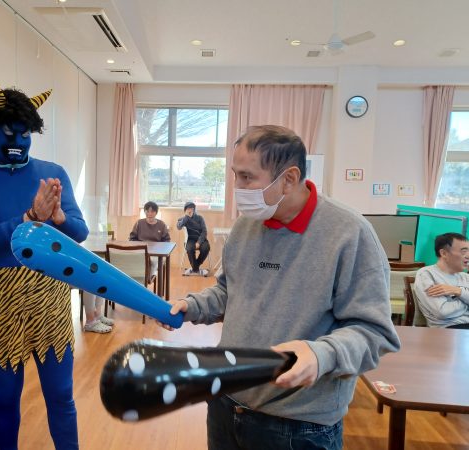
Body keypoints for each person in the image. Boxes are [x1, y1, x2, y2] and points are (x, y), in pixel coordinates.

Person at [160, 125, 400, 450]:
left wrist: (321, 354)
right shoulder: (246, 226)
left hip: (298, 424)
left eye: (247, 177)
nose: (237, 187)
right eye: (235, 175)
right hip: (226, 402)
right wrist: (194, 306)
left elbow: (374, 332)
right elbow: (230, 291)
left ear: (289, 178)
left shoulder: (349, 234)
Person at [0, 77, 88, 450]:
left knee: (60, 394)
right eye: (10, 133)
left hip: (49, 292)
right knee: (4, 397)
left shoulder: (53, 173)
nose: (18, 141)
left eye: (25, 133)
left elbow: (79, 231)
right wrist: (30, 218)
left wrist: (59, 218)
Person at [414, 232, 469, 329]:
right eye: (463, 251)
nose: (468, 255)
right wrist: (466, 302)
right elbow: (442, 312)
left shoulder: (465, 276)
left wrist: (459, 291)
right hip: (451, 329)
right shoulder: (427, 274)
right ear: (444, 253)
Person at [177, 201, 210, 276]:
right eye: (188, 208)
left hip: (201, 239)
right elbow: (179, 227)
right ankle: (196, 268)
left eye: (192, 208)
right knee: (189, 249)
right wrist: (186, 217)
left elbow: (204, 231)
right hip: (190, 240)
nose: (190, 210)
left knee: (206, 248)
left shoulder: (200, 218)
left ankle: (195, 267)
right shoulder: (182, 219)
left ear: (194, 210)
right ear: (185, 210)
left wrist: (199, 242)